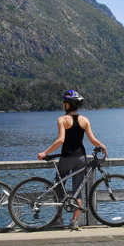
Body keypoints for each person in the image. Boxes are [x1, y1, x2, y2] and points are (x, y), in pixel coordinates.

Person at [38, 90, 107, 230]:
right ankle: (74, 221)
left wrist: (45, 152)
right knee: (78, 191)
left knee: (58, 187)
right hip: (81, 158)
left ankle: (58, 219)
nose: (63, 105)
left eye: (64, 102)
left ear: (69, 105)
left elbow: (60, 140)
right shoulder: (85, 120)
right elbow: (92, 140)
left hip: (66, 158)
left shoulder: (62, 120)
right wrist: (103, 146)